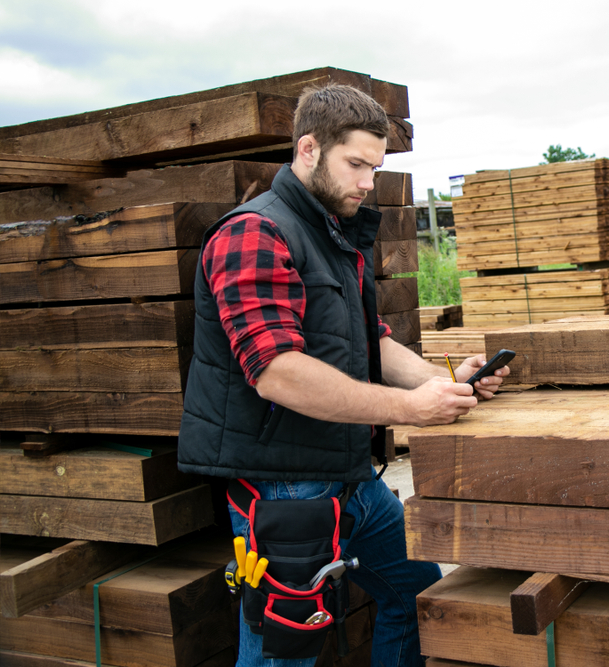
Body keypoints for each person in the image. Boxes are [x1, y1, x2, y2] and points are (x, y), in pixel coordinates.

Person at [177, 83, 509, 667]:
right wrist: (409, 410)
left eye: (374, 168)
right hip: (285, 489)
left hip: (352, 478)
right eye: (355, 164)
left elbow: (368, 343)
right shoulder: (253, 234)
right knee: (285, 647)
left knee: (418, 592)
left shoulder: (332, 234)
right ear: (308, 148)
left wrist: (446, 380)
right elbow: (277, 372)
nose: (366, 182)